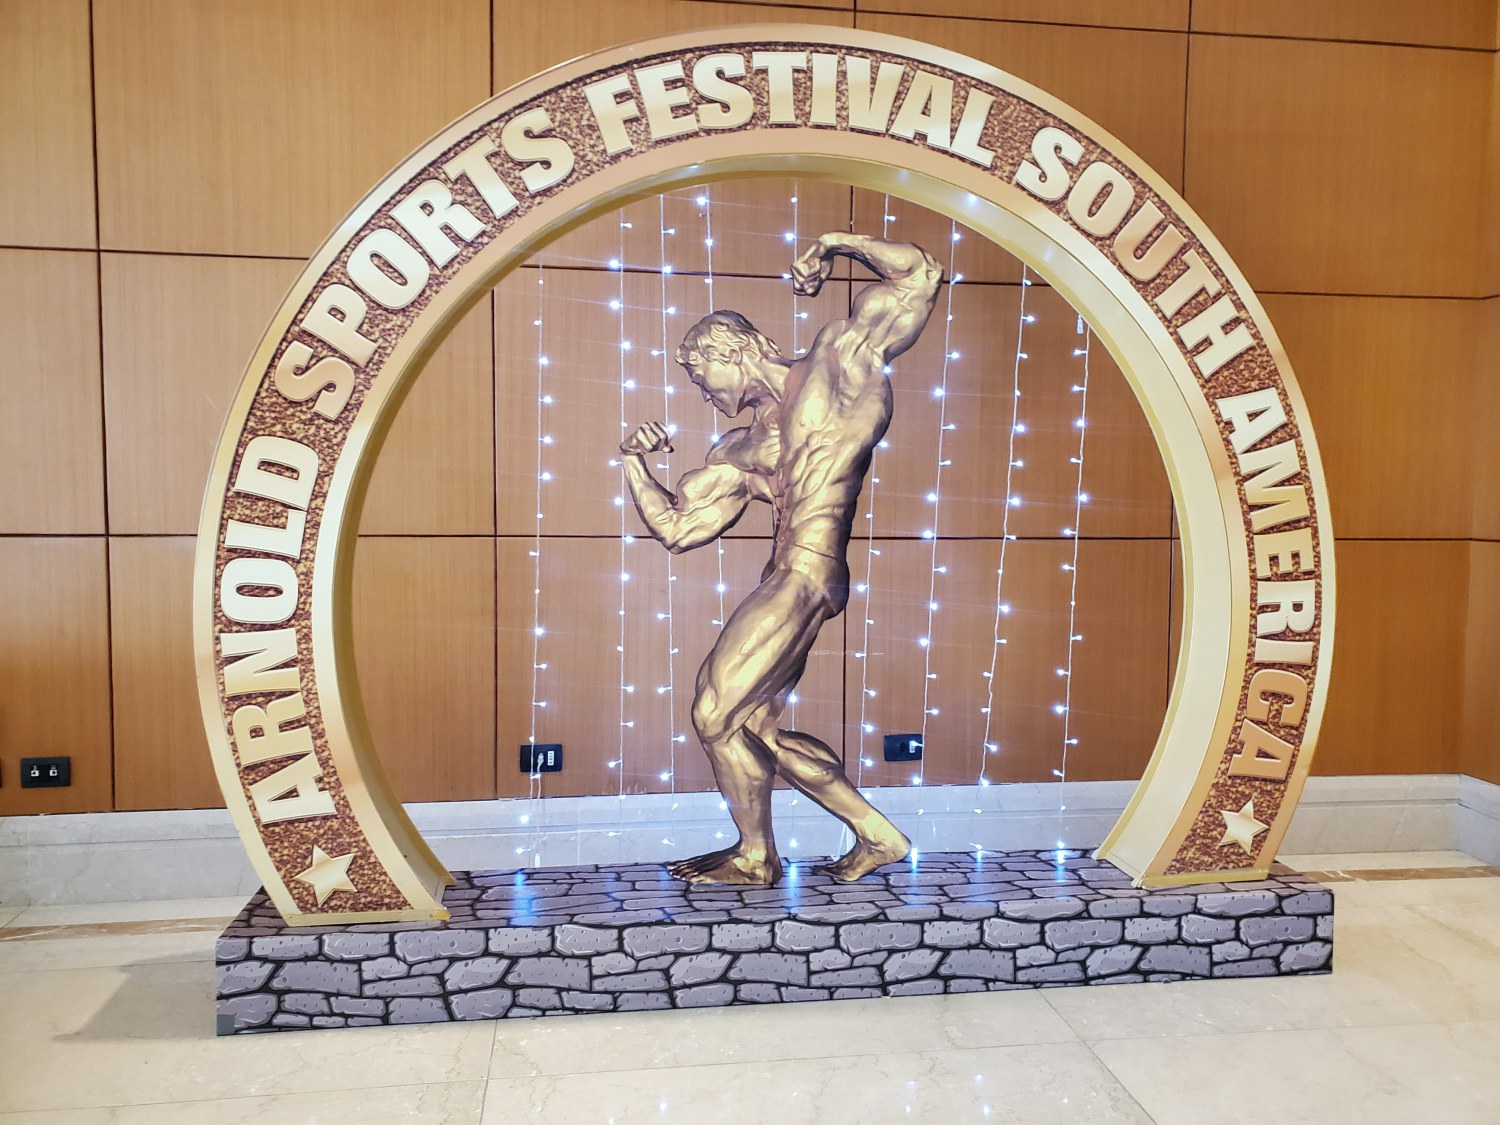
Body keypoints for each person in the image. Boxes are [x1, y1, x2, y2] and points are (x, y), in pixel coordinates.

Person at [619, 232, 943, 885]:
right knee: (753, 726)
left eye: (699, 374)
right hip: (789, 575)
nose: (698, 390)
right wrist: (632, 463)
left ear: (733, 352)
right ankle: (874, 837)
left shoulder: (836, 362)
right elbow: (679, 529)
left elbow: (920, 275)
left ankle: (757, 856)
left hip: (808, 570)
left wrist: (834, 244)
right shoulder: (741, 447)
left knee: (715, 710)